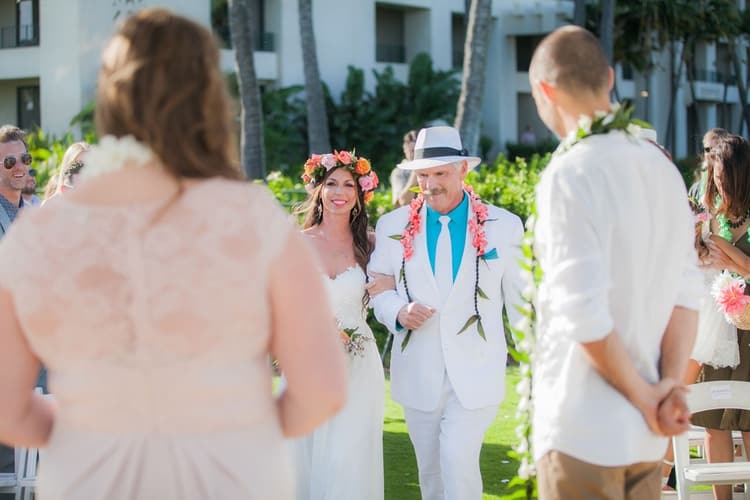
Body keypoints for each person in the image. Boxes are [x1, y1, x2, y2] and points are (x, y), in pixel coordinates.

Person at [0, 8, 347, 500]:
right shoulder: (255, 219)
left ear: (111, 96)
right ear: (208, 95)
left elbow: (7, 407)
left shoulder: (44, 230)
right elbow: (324, 389)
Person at [528, 26, 701, 500]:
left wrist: (648, 397)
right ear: (608, 78)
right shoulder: (662, 168)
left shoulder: (568, 172)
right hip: (647, 438)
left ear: (545, 92)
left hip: (583, 428)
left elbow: (583, 314)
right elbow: (688, 296)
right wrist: (667, 389)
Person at [369, 125, 525, 500]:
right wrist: (399, 311)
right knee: (431, 472)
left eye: (440, 173)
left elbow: (522, 301)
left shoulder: (503, 227)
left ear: (462, 170)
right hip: (417, 372)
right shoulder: (393, 225)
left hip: (477, 372)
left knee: (457, 459)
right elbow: (377, 290)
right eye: (423, 175)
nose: (430, 183)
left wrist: (536, 359)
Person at [291, 150, 385, 500]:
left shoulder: (372, 245)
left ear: (360, 195)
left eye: (348, 184)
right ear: (318, 189)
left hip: (359, 366)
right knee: (304, 452)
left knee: (348, 458)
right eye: (331, 183)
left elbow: (393, 290)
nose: (339, 191)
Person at [692, 134, 750, 500]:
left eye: (724, 177)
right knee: (714, 421)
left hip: (749, 330)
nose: (717, 184)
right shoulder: (705, 212)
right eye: (714, 177)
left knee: (749, 422)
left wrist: (729, 252)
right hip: (716, 329)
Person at [391, 129, 417, 207]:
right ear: (405, 149)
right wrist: (416, 171)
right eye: (412, 151)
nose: (416, 154)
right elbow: (402, 202)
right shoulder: (398, 173)